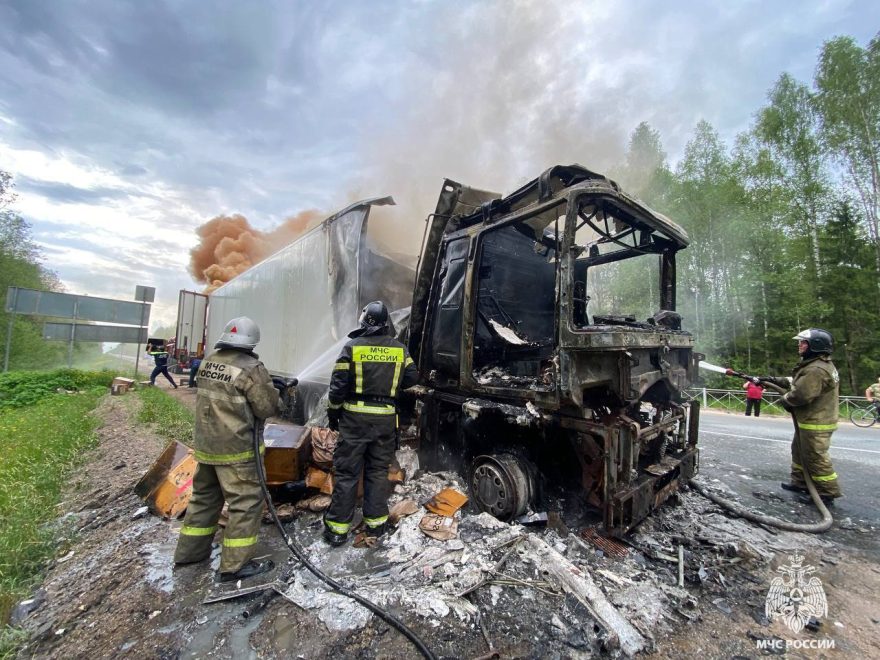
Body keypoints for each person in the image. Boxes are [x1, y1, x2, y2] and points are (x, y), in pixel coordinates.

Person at [174, 317, 282, 582]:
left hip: (207, 448)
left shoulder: (210, 361)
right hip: (237, 452)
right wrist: (274, 390)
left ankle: (189, 553)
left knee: (203, 500)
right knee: (245, 504)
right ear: (251, 341)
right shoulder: (251, 368)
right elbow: (266, 408)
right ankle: (234, 566)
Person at [323, 301, 419, 547]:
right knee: (377, 472)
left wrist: (334, 413)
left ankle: (337, 530)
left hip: (354, 420)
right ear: (386, 324)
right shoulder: (399, 350)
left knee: (347, 473)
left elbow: (337, 388)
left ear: (364, 322)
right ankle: (376, 525)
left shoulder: (351, 347)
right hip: (385, 421)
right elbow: (412, 378)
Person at [762, 328, 841, 504]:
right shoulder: (814, 365)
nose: (800, 345)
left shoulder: (816, 369)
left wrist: (784, 400)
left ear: (815, 346)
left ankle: (826, 493)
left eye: (803, 342)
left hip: (816, 421)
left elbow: (801, 394)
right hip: (809, 420)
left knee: (815, 456)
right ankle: (800, 482)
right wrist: (772, 379)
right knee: (799, 451)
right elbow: (796, 381)